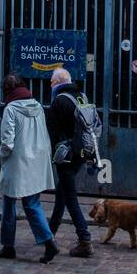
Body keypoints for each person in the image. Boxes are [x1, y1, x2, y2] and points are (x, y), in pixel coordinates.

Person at [0, 72, 58, 263]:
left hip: (17, 162)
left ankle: (9, 245)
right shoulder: (37, 105)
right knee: (32, 203)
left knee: (9, 203)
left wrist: (3, 158)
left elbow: (7, 141)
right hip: (37, 160)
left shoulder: (10, 109)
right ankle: (48, 242)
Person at [46, 67, 93, 258]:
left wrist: (51, 155)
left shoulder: (59, 101)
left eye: (51, 82)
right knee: (62, 192)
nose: (50, 85)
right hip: (81, 152)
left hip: (65, 155)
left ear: (57, 83)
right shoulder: (81, 96)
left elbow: (53, 132)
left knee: (70, 197)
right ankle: (49, 233)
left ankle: (85, 239)